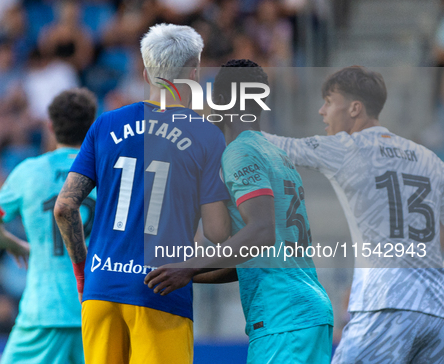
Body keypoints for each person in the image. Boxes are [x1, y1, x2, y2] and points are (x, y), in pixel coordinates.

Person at [54, 23, 231, 364]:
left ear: (146, 71)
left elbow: (64, 207)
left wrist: (82, 273)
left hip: (101, 290)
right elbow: (217, 232)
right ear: (194, 71)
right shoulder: (206, 135)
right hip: (160, 291)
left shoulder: (105, 124)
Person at [145, 59, 334, 363]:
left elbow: (260, 231)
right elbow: (257, 256)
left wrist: (189, 266)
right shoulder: (277, 154)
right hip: (303, 313)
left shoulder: (239, 152)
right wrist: (187, 275)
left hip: (283, 318)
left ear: (221, 100)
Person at [262, 66, 444, 363]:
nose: (322, 111)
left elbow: (278, 147)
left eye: (330, 102)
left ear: (355, 108)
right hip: (436, 313)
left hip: (385, 306)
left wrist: (220, 126)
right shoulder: (430, 159)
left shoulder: (347, 147)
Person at [0, 88, 97, 363]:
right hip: (95, 306)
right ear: (92, 126)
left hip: (45, 309)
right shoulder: (107, 170)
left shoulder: (28, 172)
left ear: (50, 127)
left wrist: (14, 245)